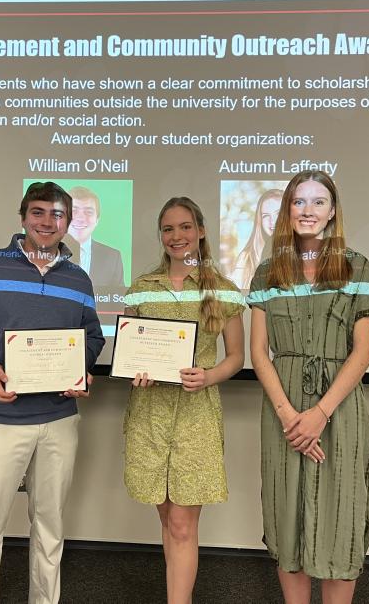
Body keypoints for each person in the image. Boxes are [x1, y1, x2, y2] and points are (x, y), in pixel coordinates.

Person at [0, 181, 105, 604]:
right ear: (22, 217)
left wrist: (81, 370)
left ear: (68, 222)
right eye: (38, 212)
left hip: (59, 420)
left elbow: (91, 337)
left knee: (50, 530)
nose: (47, 222)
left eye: (57, 214)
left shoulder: (79, 278)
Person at [247, 170, 369, 604]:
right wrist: (290, 415)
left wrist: (318, 414)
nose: (308, 210)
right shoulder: (267, 272)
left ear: (332, 211)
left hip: (337, 411)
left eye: (318, 202)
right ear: (287, 211)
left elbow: (362, 354)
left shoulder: (356, 266)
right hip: (282, 411)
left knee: (340, 519)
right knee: (289, 521)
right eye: (299, 202)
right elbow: (259, 354)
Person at [122, 197, 245, 604]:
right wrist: (136, 370)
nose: (178, 236)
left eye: (186, 227)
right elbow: (131, 349)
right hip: (150, 415)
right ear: (161, 235)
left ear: (202, 231)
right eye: (169, 229)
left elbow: (236, 358)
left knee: (182, 523)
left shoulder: (223, 291)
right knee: (165, 516)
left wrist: (209, 375)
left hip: (196, 416)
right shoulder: (142, 287)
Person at [66, 185, 125, 287]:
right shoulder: (45, 253)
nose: (80, 218)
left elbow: (118, 299)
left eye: (88, 212)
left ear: (97, 220)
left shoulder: (113, 257)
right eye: (74, 211)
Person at [229, 187, 283, 289]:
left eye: (278, 214)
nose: (273, 221)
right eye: (266, 216)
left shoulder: (305, 252)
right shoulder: (246, 258)